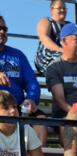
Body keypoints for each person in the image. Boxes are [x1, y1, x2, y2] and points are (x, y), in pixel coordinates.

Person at [0, 16, 47, 146]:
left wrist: (31, 98)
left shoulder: (17, 55)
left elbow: (31, 81)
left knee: (40, 120)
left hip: (17, 107)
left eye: (4, 29)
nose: (2, 32)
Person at [45, 23, 77, 145]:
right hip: (65, 114)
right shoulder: (54, 67)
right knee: (72, 128)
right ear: (64, 41)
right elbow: (60, 100)